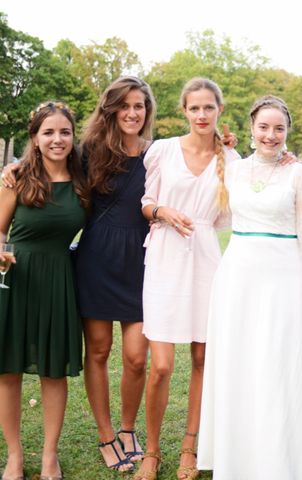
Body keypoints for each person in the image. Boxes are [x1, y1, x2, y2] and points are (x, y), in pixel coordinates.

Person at [197, 95, 302, 479]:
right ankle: (238, 458)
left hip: (284, 278)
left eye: (279, 128)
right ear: (252, 128)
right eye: (264, 127)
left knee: (279, 364)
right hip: (237, 276)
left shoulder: (298, 173)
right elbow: (218, 219)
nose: (271, 135)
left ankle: (280, 461)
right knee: (239, 363)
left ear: (287, 133)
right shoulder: (233, 170)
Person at [134, 77, 240, 480]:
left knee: (202, 357)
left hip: (207, 258)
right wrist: (162, 212)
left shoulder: (231, 159)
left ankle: (189, 448)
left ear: (219, 111)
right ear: (184, 110)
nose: (201, 114)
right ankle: (152, 451)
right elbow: (145, 203)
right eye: (194, 108)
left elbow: (237, 207)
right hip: (163, 256)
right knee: (160, 364)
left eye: (208, 108)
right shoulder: (162, 150)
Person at [0, 102, 90, 480]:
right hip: (17, 281)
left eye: (64, 132)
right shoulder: (16, 178)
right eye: (48, 132)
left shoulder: (84, 179)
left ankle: (50, 455)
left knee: (53, 371)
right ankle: (15, 456)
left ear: (73, 137)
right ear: (35, 138)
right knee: (8, 372)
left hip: (59, 281)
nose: (57, 139)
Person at [76, 76, 156, 472]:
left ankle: (128, 429)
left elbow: (203, 160)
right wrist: (14, 171)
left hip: (141, 263)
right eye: (124, 105)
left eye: (139, 105)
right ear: (111, 110)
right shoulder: (89, 151)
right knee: (100, 350)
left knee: (137, 356)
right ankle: (106, 435)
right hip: (96, 260)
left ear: (147, 111)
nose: (132, 112)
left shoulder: (158, 154)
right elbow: (46, 164)